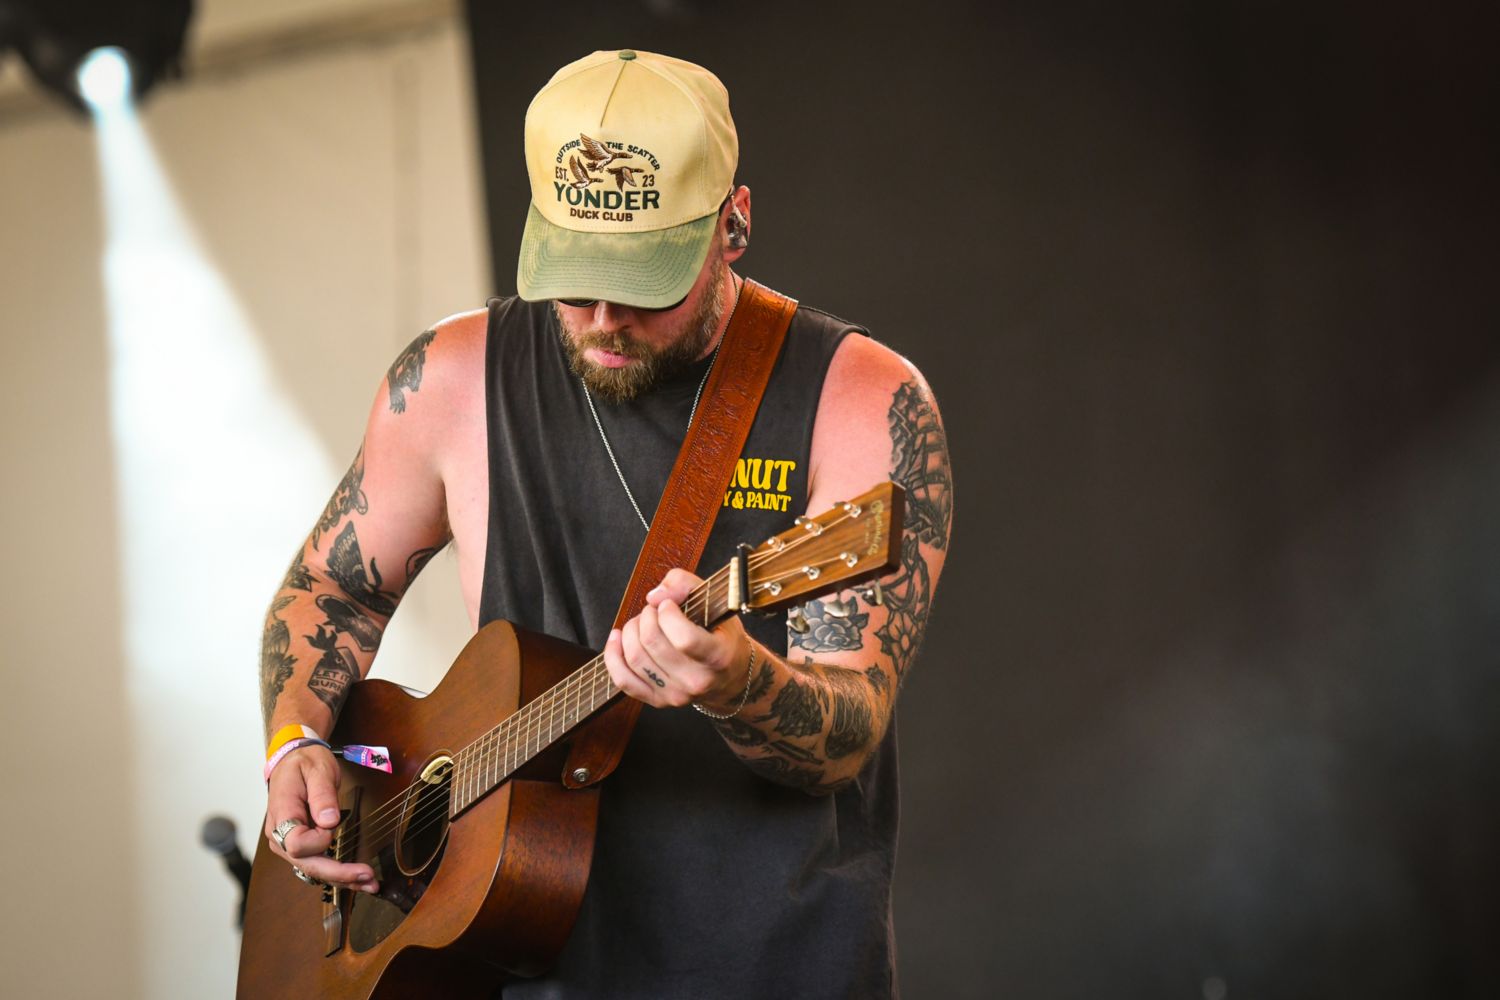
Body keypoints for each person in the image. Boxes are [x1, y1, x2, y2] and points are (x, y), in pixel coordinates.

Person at [258, 49, 952, 997]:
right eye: (576, 280)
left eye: (645, 280)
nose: (604, 317)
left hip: (775, 968)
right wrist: (295, 742)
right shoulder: (450, 383)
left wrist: (738, 682)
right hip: (515, 959)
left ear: (733, 223)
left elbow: (845, 733)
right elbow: (333, 587)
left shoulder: (861, 400)